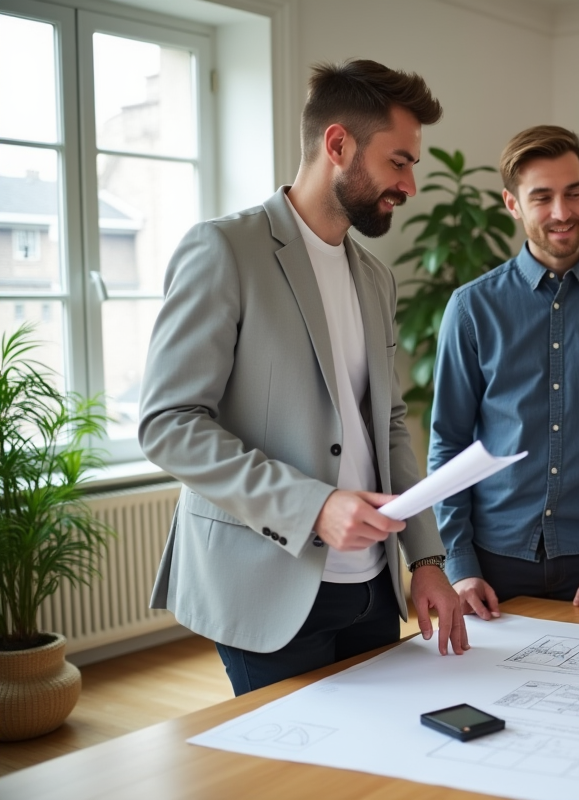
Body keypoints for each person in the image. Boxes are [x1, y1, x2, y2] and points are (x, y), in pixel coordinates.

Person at [140, 60, 467, 696]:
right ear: (338, 144)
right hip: (265, 587)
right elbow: (168, 424)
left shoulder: (376, 278)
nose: (410, 184)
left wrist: (426, 559)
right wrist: (312, 506)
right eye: (399, 162)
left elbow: (390, 425)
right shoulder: (224, 251)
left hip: (371, 588)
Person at [429, 125, 579, 618]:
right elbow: (448, 443)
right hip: (492, 567)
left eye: (574, 192)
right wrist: (460, 562)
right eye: (542, 197)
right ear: (512, 204)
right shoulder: (472, 309)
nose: (562, 212)